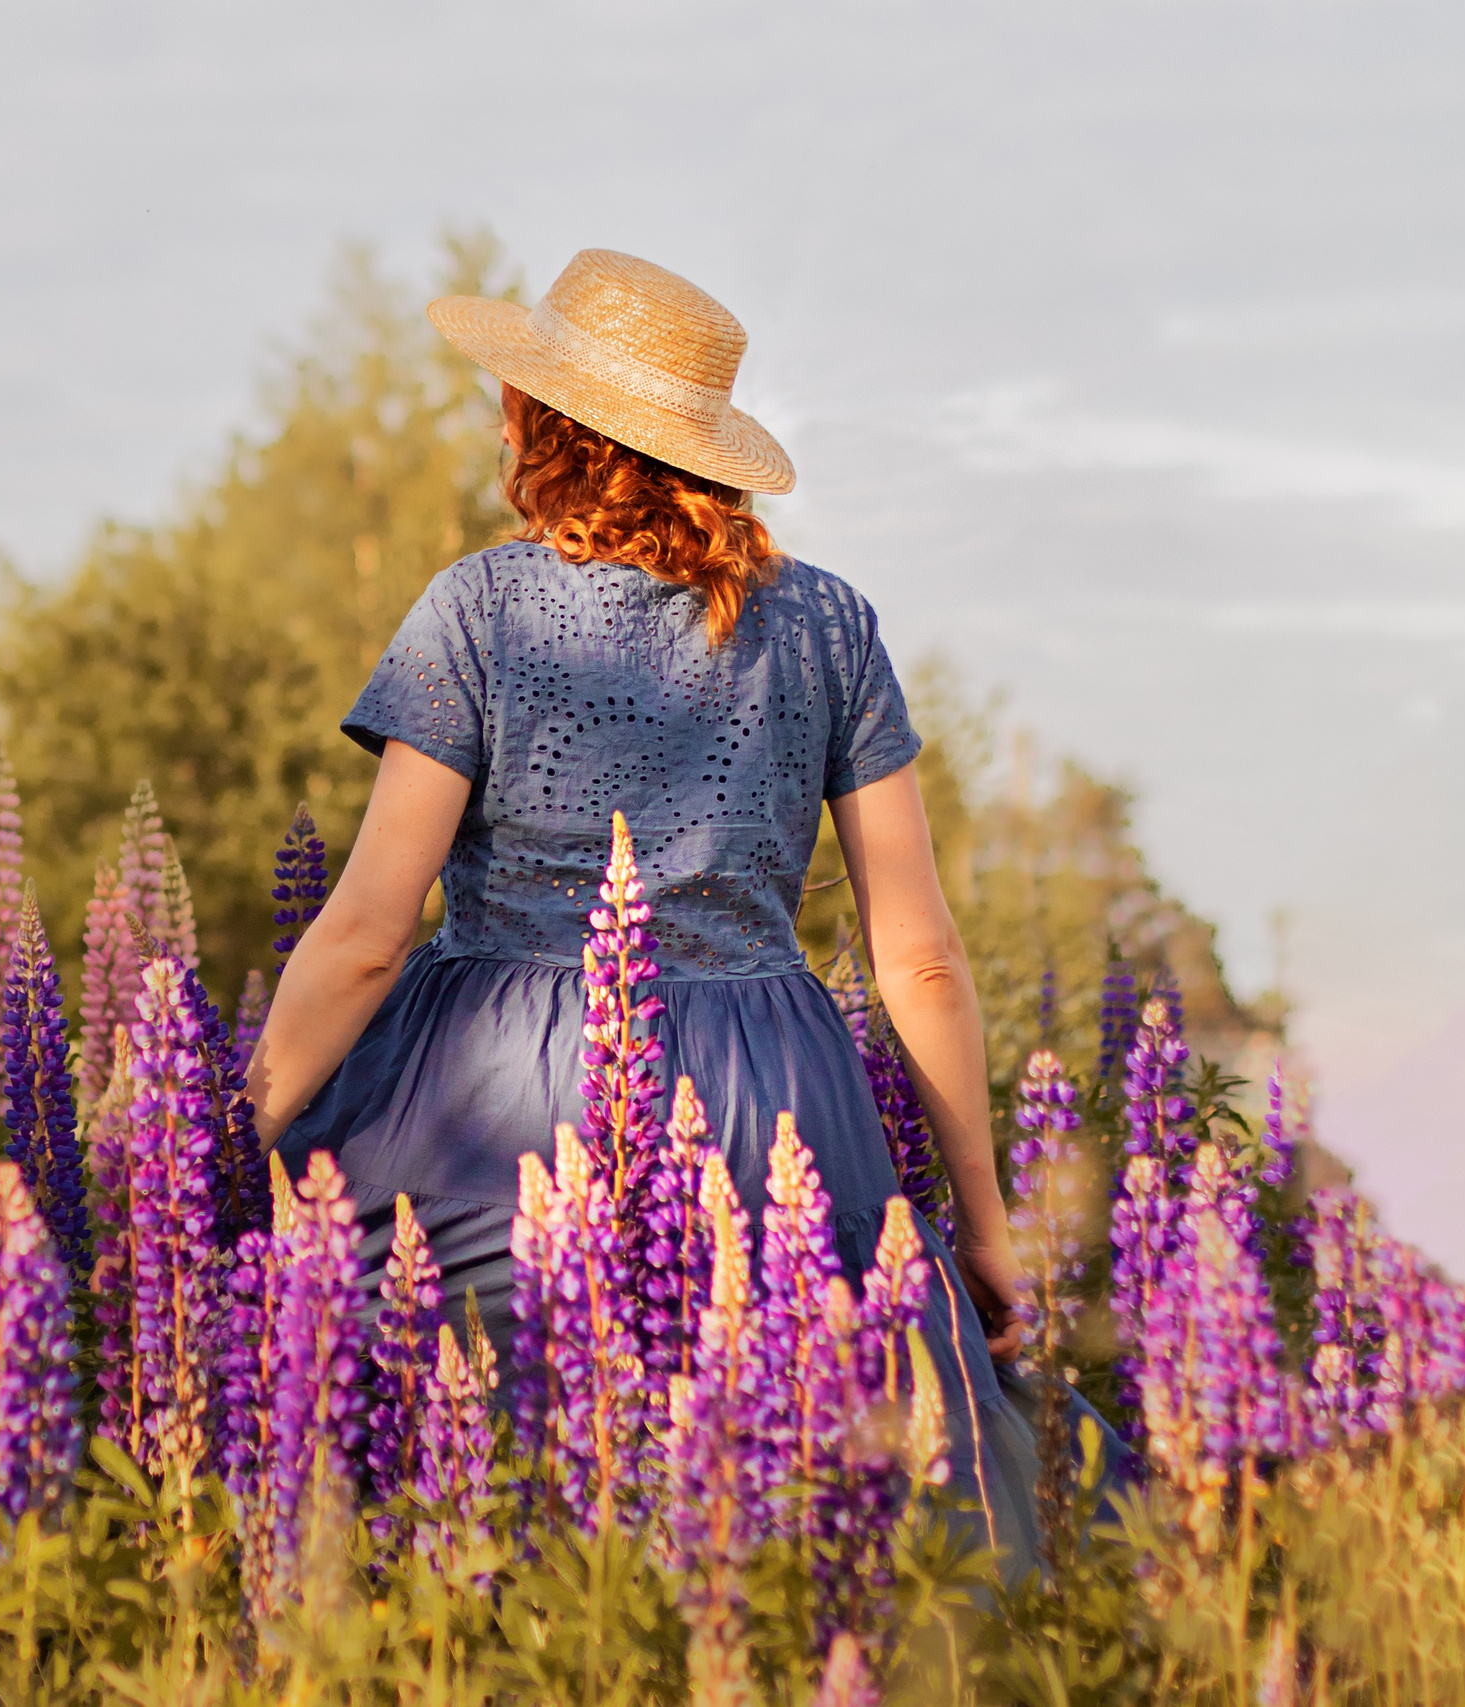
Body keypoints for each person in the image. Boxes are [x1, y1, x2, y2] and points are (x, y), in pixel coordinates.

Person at [248, 247, 1095, 1560]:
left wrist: (246, 1119)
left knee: (435, 1438)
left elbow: (365, 931)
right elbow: (918, 954)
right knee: (824, 1482)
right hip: (774, 1089)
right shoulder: (829, 628)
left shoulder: (475, 611)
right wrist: (981, 1220)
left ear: (542, 422)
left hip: (496, 1084)